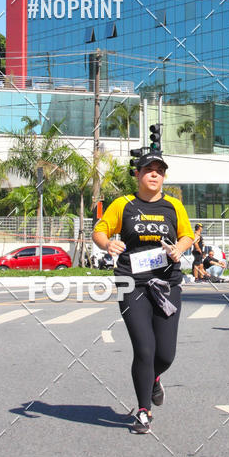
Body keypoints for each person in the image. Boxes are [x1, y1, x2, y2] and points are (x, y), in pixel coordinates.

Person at [93, 151, 194, 434]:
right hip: (132, 283)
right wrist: (107, 244)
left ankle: (154, 379)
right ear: (137, 174)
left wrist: (179, 248)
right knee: (145, 349)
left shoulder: (174, 206)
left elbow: (187, 234)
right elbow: (100, 230)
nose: (154, 174)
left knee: (166, 354)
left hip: (167, 284)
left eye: (159, 170)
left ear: (164, 177)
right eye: (148, 169)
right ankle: (142, 410)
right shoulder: (123, 204)